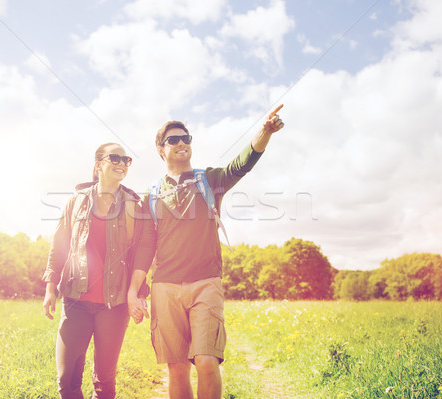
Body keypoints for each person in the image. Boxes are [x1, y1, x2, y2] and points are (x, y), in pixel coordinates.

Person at [127, 105, 285, 399]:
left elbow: (241, 165)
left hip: (206, 283)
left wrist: (264, 132)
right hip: (165, 287)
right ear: (160, 150)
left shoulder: (208, 180)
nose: (182, 143)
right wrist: (134, 291)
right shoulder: (150, 196)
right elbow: (146, 246)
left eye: (186, 138)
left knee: (206, 361)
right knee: (176, 367)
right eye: (174, 140)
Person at [42, 143, 148, 399]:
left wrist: (140, 292)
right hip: (76, 300)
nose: (122, 163)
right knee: (66, 379)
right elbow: (59, 244)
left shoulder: (135, 205)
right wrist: (49, 287)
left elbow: (141, 253)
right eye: (115, 157)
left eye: (126, 159)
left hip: (114, 305)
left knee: (104, 381)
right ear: (98, 164)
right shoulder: (76, 201)